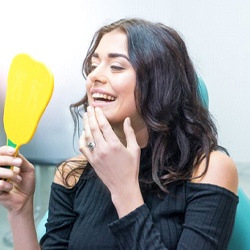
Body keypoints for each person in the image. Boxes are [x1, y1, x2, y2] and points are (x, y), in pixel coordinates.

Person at [0, 18, 238, 250]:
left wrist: (124, 189)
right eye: (94, 66)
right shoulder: (71, 173)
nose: (94, 76)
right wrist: (20, 211)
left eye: (116, 66)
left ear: (160, 84)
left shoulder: (208, 170)